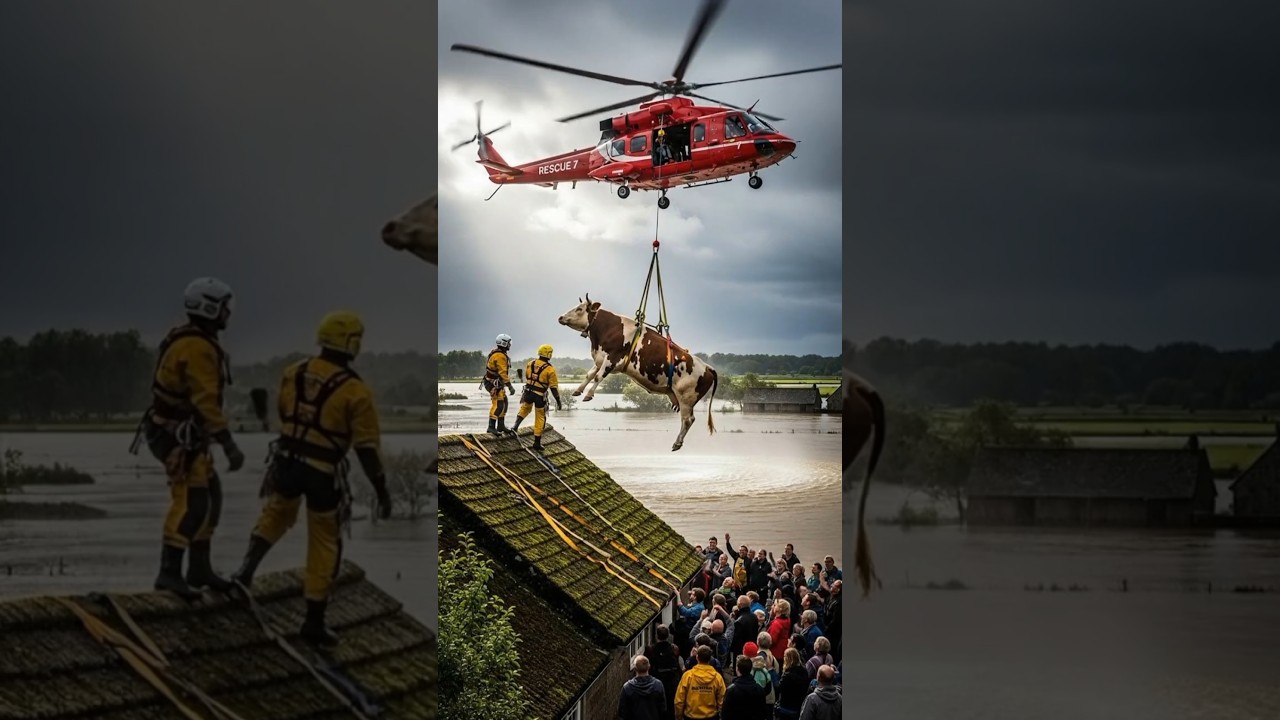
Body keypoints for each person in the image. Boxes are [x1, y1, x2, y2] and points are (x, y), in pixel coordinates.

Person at [230, 311, 393, 646]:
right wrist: (382, 490)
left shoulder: (294, 373)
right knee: (324, 541)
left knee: (275, 514)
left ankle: (244, 572)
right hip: (322, 472)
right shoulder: (355, 390)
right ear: (350, 343)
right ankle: (314, 621)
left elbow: (283, 413)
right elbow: (365, 447)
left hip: (287, 462)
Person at [136, 277, 245, 599]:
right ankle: (169, 572)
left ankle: (199, 568)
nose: (228, 314)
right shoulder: (197, 348)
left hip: (185, 435)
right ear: (210, 308)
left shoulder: (194, 340)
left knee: (212, 495)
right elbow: (206, 401)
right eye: (224, 308)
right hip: (175, 437)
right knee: (191, 503)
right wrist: (229, 444)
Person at [509, 343, 561, 451]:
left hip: (528, 392)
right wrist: (558, 401)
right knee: (540, 417)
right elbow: (553, 387)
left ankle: (515, 427)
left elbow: (527, 377)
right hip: (539, 395)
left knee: (525, 408)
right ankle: (537, 443)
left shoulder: (530, 363)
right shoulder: (550, 369)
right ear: (549, 354)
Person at [673, 645, 725, 720]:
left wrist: (678, 716)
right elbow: (722, 699)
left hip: (691, 716)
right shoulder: (717, 677)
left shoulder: (688, 676)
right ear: (710, 659)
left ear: (697, 657)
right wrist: (721, 715)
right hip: (711, 716)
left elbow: (679, 700)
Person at [483, 333, 516, 436]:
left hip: (496, 383)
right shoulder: (500, 356)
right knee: (498, 405)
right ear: (504, 343)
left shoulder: (499, 353)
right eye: (509, 343)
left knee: (504, 403)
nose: (510, 345)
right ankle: (491, 427)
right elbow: (503, 373)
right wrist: (510, 386)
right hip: (493, 384)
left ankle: (501, 425)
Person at [619, 655, 666, 720]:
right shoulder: (658, 685)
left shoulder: (627, 688)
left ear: (635, 669)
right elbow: (663, 710)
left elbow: (622, 713)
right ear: (649, 667)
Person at [721, 654, 768, 719]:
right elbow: (763, 712)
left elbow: (725, 714)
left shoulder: (731, 690)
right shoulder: (759, 689)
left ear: (737, 669)